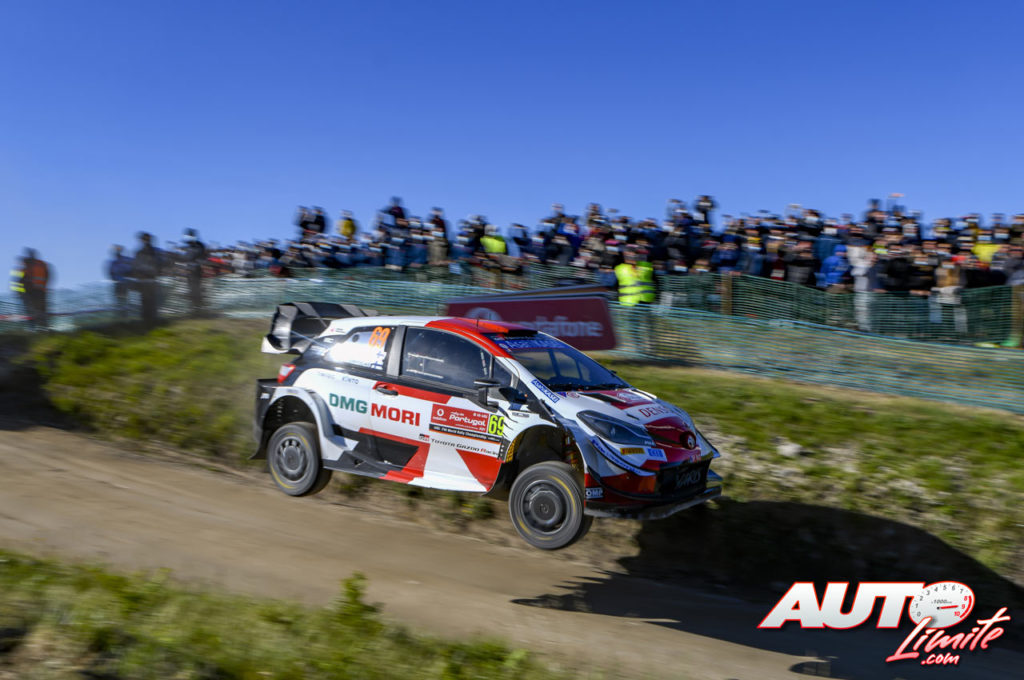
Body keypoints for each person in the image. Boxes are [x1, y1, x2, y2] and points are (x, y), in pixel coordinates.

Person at [614, 246, 657, 354]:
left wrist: (655, 297)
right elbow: (615, 285)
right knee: (633, 327)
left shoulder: (647, 266)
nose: (631, 257)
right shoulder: (619, 268)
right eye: (628, 255)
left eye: (633, 255)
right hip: (629, 302)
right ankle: (639, 349)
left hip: (645, 301)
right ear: (625, 256)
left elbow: (655, 281)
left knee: (648, 326)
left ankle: (651, 348)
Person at [132, 232, 162, 326]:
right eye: (145, 239)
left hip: (150, 280)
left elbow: (158, 264)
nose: (146, 241)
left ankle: (151, 320)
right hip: (146, 280)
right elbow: (135, 266)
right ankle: (147, 320)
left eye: (147, 239)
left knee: (150, 301)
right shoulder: (140, 252)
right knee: (146, 301)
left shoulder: (154, 252)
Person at [16, 249, 51, 330]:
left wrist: (20, 293)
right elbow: (48, 276)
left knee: (31, 311)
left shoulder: (25, 267)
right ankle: (44, 328)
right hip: (41, 291)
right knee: (41, 311)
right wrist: (45, 287)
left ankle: (33, 329)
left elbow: (19, 281)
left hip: (30, 292)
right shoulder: (43, 264)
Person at [181, 228, 207, 314]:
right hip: (190, 271)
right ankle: (194, 308)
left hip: (195, 271)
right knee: (191, 290)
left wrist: (192, 267)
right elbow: (186, 258)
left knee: (196, 290)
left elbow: (200, 258)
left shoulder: (199, 246)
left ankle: (198, 308)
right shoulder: (190, 247)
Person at [107, 245, 133, 312]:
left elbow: (111, 273)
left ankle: (123, 312)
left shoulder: (123, 260)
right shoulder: (114, 262)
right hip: (120, 284)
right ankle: (122, 312)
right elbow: (111, 273)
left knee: (123, 301)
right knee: (120, 301)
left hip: (123, 284)